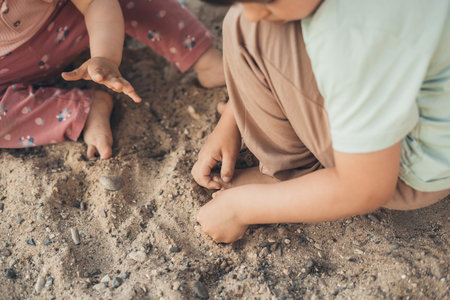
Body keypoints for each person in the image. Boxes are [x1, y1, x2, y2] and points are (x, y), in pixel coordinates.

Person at [191, 0, 450, 243]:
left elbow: (365, 188)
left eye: (266, 1)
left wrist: (241, 209)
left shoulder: (350, 37)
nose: (254, 12)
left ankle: (295, 174)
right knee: (252, 24)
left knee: (246, 29)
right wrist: (233, 117)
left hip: (405, 172)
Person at [0, 0, 225, 159]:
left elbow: (95, 3)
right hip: (11, 72)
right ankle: (80, 110)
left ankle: (203, 57)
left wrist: (105, 56)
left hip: (72, 23)